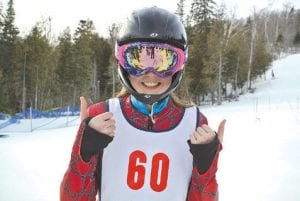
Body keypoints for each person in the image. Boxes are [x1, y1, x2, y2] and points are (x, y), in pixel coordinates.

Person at [60, 6, 226, 201]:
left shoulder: (194, 122)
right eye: (138, 60)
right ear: (122, 62)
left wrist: (206, 166)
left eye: (164, 62)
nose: (150, 74)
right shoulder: (102, 115)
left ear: (179, 65)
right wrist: (84, 151)